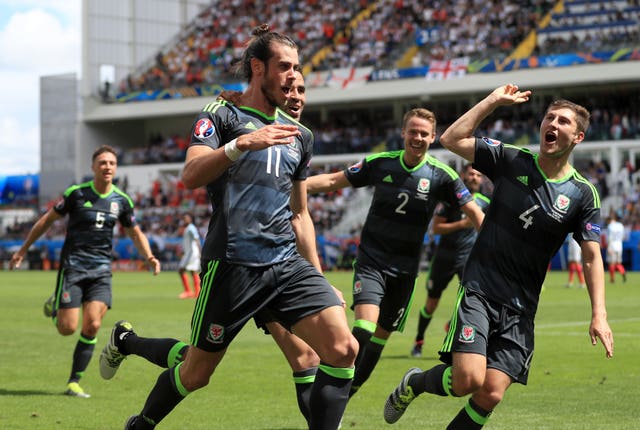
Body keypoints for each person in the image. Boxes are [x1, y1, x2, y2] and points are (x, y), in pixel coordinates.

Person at [119, 25, 357, 430]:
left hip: (285, 264)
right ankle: (141, 423)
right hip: (233, 266)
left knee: (342, 349)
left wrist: (317, 277)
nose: (291, 76)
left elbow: (300, 214)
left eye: (297, 68)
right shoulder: (221, 115)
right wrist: (240, 145)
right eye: (284, 67)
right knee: (196, 373)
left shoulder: (301, 135)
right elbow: (191, 175)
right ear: (257, 68)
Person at [384, 84, 614, 429]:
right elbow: (451, 139)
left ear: (577, 136)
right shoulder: (511, 159)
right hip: (480, 288)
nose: (552, 123)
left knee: (491, 393)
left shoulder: (583, 194)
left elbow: (592, 257)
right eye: (549, 117)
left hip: (521, 307)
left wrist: (599, 313)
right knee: (468, 380)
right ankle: (416, 382)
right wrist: (493, 101)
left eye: (563, 121)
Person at [306, 107, 485, 399]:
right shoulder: (381, 164)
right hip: (372, 261)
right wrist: (293, 184)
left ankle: (344, 397)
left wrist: (500, 248)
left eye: (423, 134)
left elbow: (475, 214)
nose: (417, 138)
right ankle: (329, 384)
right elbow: (331, 181)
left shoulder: (443, 176)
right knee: (363, 327)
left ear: (433, 137)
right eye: (412, 132)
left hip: (405, 271)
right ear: (403, 133)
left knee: (379, 338)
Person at [9, 145, 160, 399]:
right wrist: (23, 249)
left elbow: (134, 232)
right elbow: (47, 221)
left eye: (112, 163)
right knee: (67, 328)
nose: (108, 167)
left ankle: (74, 382)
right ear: (93, 167)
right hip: (74, 267)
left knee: (93, 325)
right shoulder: (76, 194)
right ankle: (56, 306)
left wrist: (150, 257)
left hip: (101, 270)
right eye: (102, 163)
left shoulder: (122, 201)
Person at [410, 164, 490, 357]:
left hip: (468, 259)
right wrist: (462, 224)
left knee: (470, 301)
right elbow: (436, 228)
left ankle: (453, 329)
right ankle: (419, 341)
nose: (474, 177)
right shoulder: (451, 200)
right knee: (432, 303)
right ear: (463, 175)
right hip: (444, 258)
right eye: (471, 173)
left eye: (478, 174)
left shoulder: (486, 202)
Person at [177, 213, 201, 298]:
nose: (184, 220)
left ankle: (190, 291)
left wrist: (200, 252)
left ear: (190, 219)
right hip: (189, 253)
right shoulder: (187, 228)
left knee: (182, 270)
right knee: (192, 271)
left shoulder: (191, 228)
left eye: (186, 218)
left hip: (192, 254)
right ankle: (195, 292)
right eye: (183, 219)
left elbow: (197, 239)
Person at [604, 211, 626, 283]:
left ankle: (612, 279)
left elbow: (609, 238)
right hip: (619, 245)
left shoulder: (610, 226)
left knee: (612, 263)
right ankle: (623, 272)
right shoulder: (620, 225)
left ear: (609, 220)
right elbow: (623, 237)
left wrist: (609, 247)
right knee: (618, 263)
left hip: (612, 245)